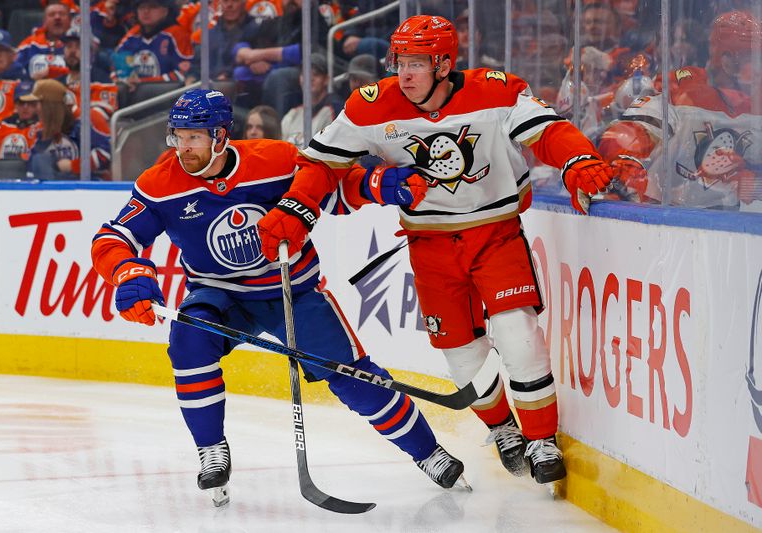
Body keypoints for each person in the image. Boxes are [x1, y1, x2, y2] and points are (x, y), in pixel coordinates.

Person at [256, 14, 615, 486]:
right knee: (463, 356)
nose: (404, 74)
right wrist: (295, 209)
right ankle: (502, 427)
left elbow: (547, 131)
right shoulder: (371, 106)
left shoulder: (495, 90)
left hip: (495, 234)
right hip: (429, 246)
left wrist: (577, 158)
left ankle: (542, 437)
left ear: (445, 64)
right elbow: (321, 165)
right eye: (399, 61)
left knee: (518, 336)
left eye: (417, 63)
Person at [90, 88, 468, 504]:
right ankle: (211, 450)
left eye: (193, 137)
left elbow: (334, 189)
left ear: (220, 136)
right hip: (219, 297)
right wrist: (128, 273)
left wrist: (381, 183)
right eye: (177, 136)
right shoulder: (160, 185)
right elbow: (114, 236)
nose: (183, 148)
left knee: (353, 378)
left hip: (293, 290)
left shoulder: (274, 160)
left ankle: (428, 453)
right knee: (188, 344)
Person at [599, 10, 762, 210]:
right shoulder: (682, 91)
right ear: (727, 61)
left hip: (730, 224)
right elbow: (626, 136)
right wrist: (626, 174)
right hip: (670, 219)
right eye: (752, 60)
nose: (758, 69)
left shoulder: (756, 103)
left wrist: (753, 182)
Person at [279, 53, 342, 148]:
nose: (310, 78)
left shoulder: (334, 111)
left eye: (316, 75)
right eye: (305, 74)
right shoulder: (293, 114)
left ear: (326, 80)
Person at [0, 79, 40, 160]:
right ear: (15, 105)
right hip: (0, 170)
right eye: (21, 102)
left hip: (27, 170)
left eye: (30, 103)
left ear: (37, 105)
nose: (25, 107)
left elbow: (40, 155)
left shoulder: (41, 127)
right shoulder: (5, 124)